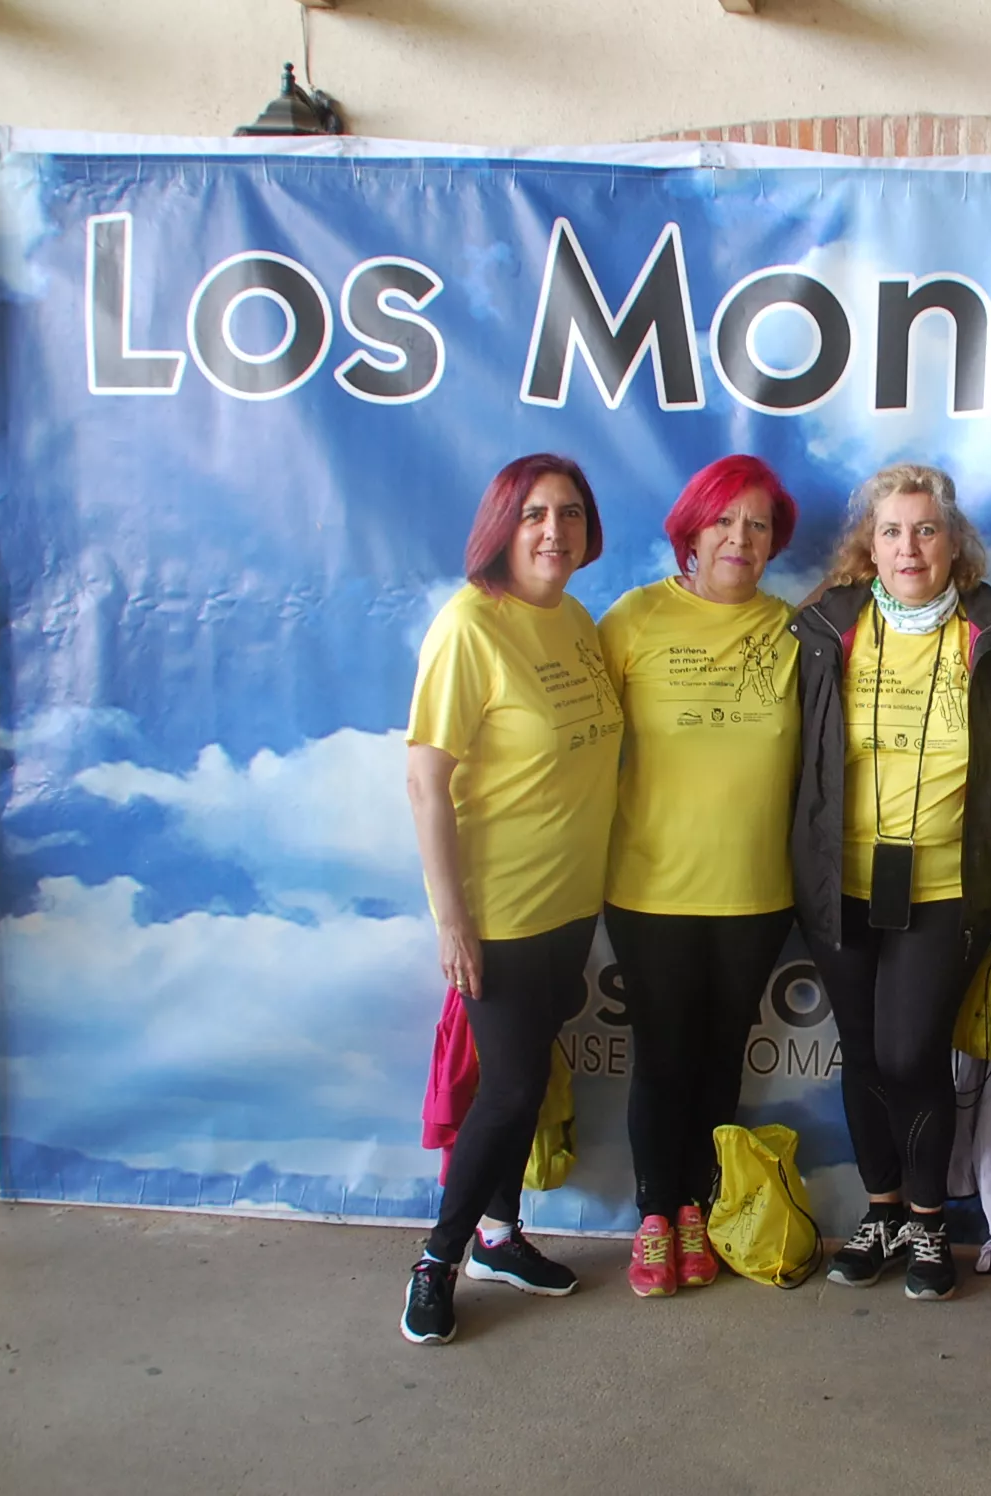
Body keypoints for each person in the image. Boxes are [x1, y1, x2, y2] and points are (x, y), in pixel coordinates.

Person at [789, 462, 991, 1301]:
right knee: (862, 1053)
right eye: (891, 531)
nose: (909, 547)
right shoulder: (830, 627)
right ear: (870, 544)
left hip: (944, 887)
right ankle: (883, 1210)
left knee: (909, 1053)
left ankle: (930, 1222)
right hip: (842, 883)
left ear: (953, 542)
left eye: (926, 530)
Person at [399, 454, 622, 1346]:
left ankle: (499, 1235)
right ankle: (436, 1260)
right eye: (533, 514)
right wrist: (452, 920)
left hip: (570, 902)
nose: (553, 531)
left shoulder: (573, 620)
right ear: (502, 525)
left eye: (569, 513)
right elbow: (425, 781)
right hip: (500, 910)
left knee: (522, 1080)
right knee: (513, 1086)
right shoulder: (469, 625)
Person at [597, 455, 802, 1298]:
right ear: (691, 529)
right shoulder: (633, 619)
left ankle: (697, 1208)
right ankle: (654, 1213)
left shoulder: (795, 630)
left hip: (756, 891)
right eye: (724, 520)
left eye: (757, 525)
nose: (739, 538)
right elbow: (573, 746)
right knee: (663, 1054)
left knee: (721, 1057)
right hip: (651, 888)